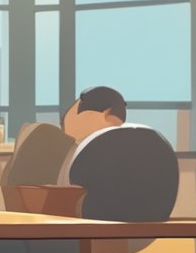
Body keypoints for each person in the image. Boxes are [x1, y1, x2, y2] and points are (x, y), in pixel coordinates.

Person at [60, 85, 178, 222]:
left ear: (107, 115)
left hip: (99, 222)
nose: (65, 126)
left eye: (71, 119)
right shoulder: (151, 140)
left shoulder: (97, 146)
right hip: (154, 221)